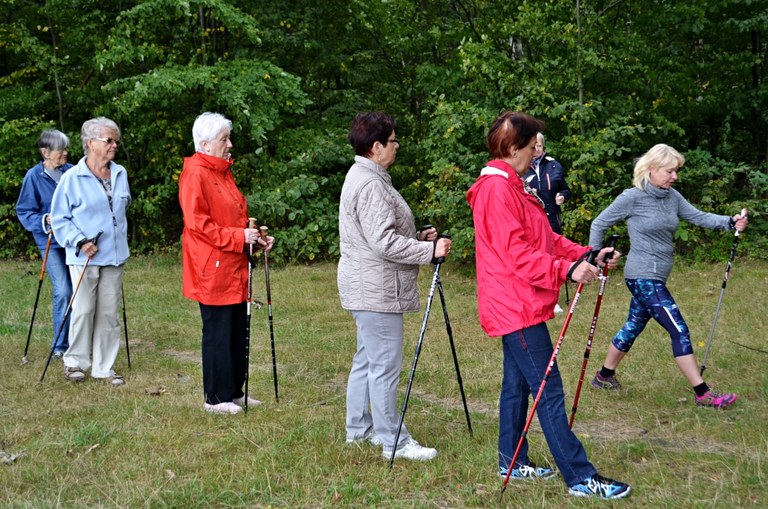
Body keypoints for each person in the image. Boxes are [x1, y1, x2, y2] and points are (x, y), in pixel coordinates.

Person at [466, 111, 630, 499]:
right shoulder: (496, 190)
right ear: (512, 147)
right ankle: (580, 476)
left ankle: (512, 461)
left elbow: (546, 238)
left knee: (517, 385)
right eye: (531, 146)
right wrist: (566, 271)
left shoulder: (515, 185)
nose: (536, 153)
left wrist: (585, 254)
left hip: (518, 303)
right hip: (513, 306)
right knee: (548, 389)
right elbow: (515, 254)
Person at [589, 143, 748, 409]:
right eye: (670, 171)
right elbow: (599, 223)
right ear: (651, 168)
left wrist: (729, 222)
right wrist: (595, 254)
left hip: (658, 276)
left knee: (633, 326)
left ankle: (604, 376)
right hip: (641, 275)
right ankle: (702, 392)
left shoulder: (672, 197)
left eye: (676, 171)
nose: (674, 176)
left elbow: (699, 217)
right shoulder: (632, 197)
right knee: (679, 329)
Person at [338, 111, 451, 462]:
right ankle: (394, 441)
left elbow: (377, 234)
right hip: (376, 288)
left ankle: (359, 430)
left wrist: (416, 238)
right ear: (376, 147)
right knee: (384, 365)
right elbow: (383, 242)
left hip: (367, 284)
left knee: (367, 360)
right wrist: (428, 250)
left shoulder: (367, 175)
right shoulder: (371, 182)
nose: (397, 146)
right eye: (393, 141)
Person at [179, 112, 274, 415]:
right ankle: (215, 398)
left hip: (234, 265)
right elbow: (198, 225)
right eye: (224, 139)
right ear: (205, 144)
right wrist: (238, 236)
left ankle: (234, 392)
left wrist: (254, 238)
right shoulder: (195, 173)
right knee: (218, 332)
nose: (230, 144)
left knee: (236, 330)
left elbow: (234, 218)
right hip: (212, 267)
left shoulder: (222, 172)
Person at [50, 117, 131, 385]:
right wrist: (80, 240)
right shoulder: (72, 178)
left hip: (114, 255)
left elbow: (121, 209)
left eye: (115, 140)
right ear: (90, 143)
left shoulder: (120, 173)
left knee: (108, 313)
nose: (114, 145)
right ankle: (75, 363)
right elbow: (60, 218)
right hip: (85, 255)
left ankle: (103, 367)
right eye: (108, 140)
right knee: (84, 309)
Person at [16, 129, 74, 358]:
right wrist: (44, 219)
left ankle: (77, 341)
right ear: (45, 152)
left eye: (66, 148)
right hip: (50, 242)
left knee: (80, 292)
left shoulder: (72, 173)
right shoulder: (33, 176)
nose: (66, 153)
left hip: (73, 240)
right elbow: (24, 211)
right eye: (61, 149)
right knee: (63, 291)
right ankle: (60, 346)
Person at [525, 133, 572, 314]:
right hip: (532, 222)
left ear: (543, 147)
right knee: (535, 258)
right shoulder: (521, 167)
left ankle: (554, 298)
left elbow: (565, 189)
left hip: (552, 218)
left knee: (554, 257)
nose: (536, 149)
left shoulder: (554, 165)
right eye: (532, 145)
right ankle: (534, 296)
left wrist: (563, 196)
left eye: (539, 146)